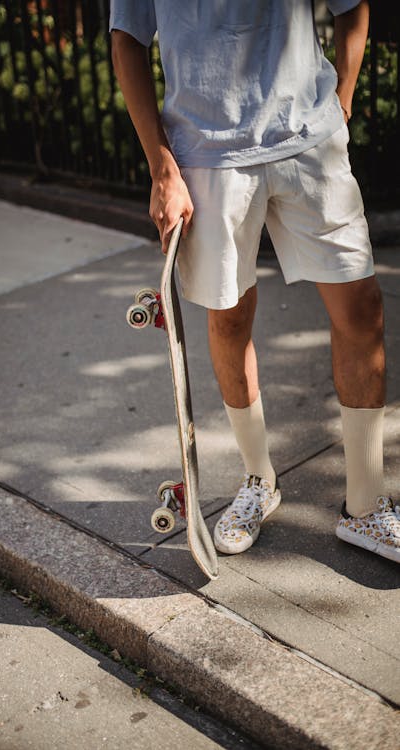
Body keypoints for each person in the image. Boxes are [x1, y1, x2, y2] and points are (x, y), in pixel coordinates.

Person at [109, 1, 399, 563]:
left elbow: (352, 8)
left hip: (308, 137)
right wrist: (162, 167)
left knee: (362, 308)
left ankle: (365, 507)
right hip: (206, 155)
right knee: (230, 316)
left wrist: (339, 103)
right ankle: (259, 482)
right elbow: (127, 40)